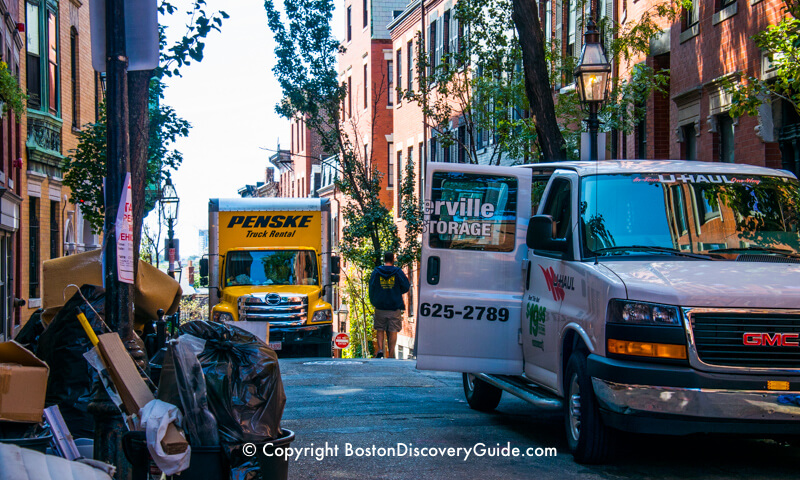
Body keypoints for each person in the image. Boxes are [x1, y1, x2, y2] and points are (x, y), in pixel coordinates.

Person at [368, 252, 410, 359]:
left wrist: (374, 301)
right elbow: (406, 286)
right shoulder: (398, 272)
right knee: (393, 330)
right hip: (394, 306)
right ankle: (391, 355)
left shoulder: (376, 272)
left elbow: (371, 287)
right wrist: (396, 291)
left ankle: (380, 350)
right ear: (393, 259)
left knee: (380, 329)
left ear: (384, 259)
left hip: (380, 306)